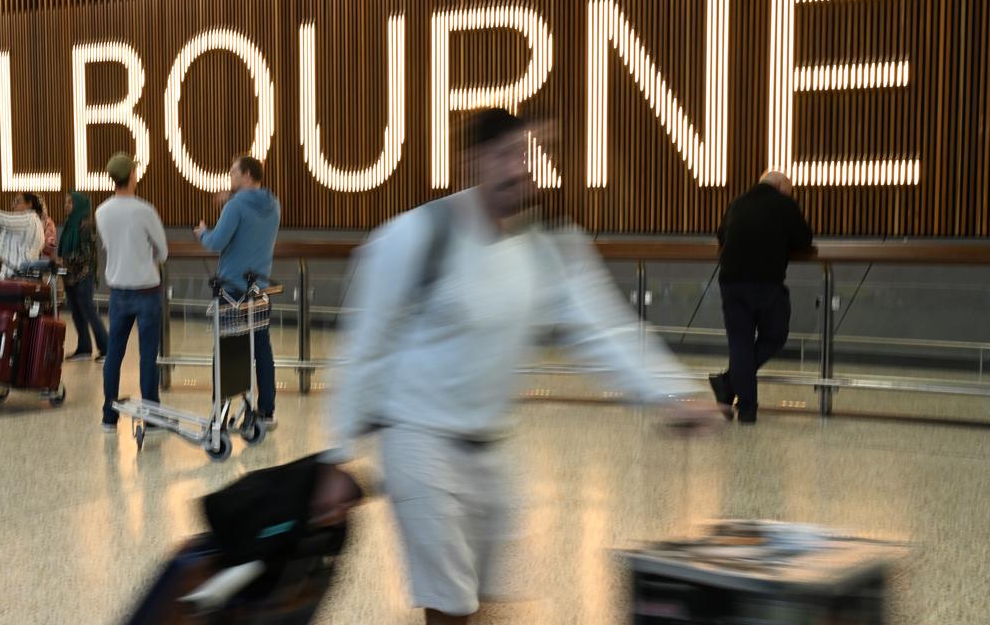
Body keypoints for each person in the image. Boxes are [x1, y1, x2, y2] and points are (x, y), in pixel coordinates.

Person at [310, 109, 721, 625]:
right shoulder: (416, 235)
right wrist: (337, 457)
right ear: (471, 163)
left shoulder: (546, 244)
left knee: (492, 602)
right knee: (452, 607)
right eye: (504, 155)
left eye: (527, 155)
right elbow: (364, 346)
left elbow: (603, 327)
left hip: (491, 449)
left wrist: (671, 393)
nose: (519, 169)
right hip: (419, 443)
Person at [708, 171, 813, 424]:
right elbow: (804, 240)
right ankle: (728, 383)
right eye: (789, 191)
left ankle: (745, 408)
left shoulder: (738, 202)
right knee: (776, 334)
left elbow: (721, 235)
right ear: (779, 186)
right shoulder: (784, 205)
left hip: (731, 282)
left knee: (740, 344)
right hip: (766, 282)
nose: (790, 196)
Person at [194, 155, 282, 429]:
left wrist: (203, 233)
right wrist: (229, 200)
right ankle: (266, 411)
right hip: (260, 290)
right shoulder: (273, 204)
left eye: (233, 172)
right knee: (262, 350)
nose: (230, 176)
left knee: (225, 349)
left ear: (246, 175)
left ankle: (221, 411)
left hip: (231, 291)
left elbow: (217, 242)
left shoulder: (236, 206)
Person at [96, 153, 168, 433]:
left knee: (114, 354)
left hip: (118, 292)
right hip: (147, 291)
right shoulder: (144, 210)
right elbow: (163, 251)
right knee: (148, 356)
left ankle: (109, 416)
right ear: (132, 176)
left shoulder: (101, 211)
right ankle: (151, 417)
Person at [59, 192, 109, 362]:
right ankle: (84, 348)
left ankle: (107, 348)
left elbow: (85, 254)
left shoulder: (86, 225)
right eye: (65, 202)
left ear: (79, 205)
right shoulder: (69, 224)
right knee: (77, 313)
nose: (66, 206)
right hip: (70, 275)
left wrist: (63, 260)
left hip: (83, 275)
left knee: (89, 311)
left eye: (70, 203)